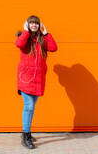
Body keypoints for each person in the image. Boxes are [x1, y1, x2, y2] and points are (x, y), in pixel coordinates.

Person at [15, 15, 58, 149]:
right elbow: (19, 44)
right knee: (29, 107)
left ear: (39, 25)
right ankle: (26, 134)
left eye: (36, 23)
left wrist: (46, 33)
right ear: (27, 25)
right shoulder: (24, 37)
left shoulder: (41, 39)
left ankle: (25, 132)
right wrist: (26, 31)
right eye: (31, 23)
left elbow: (54, 48)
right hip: (26, 79)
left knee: (31, 108)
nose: (34, 25)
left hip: (38, 79)